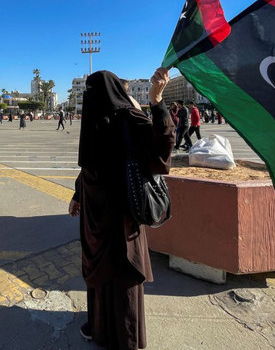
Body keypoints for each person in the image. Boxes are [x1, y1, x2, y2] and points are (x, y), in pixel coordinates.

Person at [68, 68, 175, 349]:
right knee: (106, 277)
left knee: (116, 275)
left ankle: (124, 339)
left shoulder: (126, 120)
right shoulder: (108, 120)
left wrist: (156, 101)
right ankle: (100, 329)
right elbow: (89, 165)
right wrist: (77, 195)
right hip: (103, 217)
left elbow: (160, 153)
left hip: (115, 217)